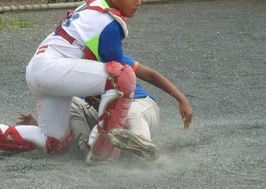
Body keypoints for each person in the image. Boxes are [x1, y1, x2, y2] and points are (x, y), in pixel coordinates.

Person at [0, 0, 177, 164]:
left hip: (40, 70)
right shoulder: (110, 23)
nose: (139, 2)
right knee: (122, 77)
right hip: (53, 69)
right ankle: (101, 151)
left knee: (55, 141)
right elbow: (118, 73)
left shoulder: (94, 6)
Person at [14, 55, 193, 161]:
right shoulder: (66, 70)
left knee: (130, 112)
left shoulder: (106, 56)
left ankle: (140, 142)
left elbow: (150, 75)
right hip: (107, 120)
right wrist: (42, 127)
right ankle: (86, 145)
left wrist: (181, 98)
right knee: (70, 102)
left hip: (140, 105)